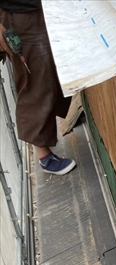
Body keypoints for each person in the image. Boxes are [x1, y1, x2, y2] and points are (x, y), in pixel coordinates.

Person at [0, 0, 76, 175]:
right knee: (35, 82)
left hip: (45, 9)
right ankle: (44, 156)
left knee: (54, 72)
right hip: (20, 14)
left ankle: (55, 119)